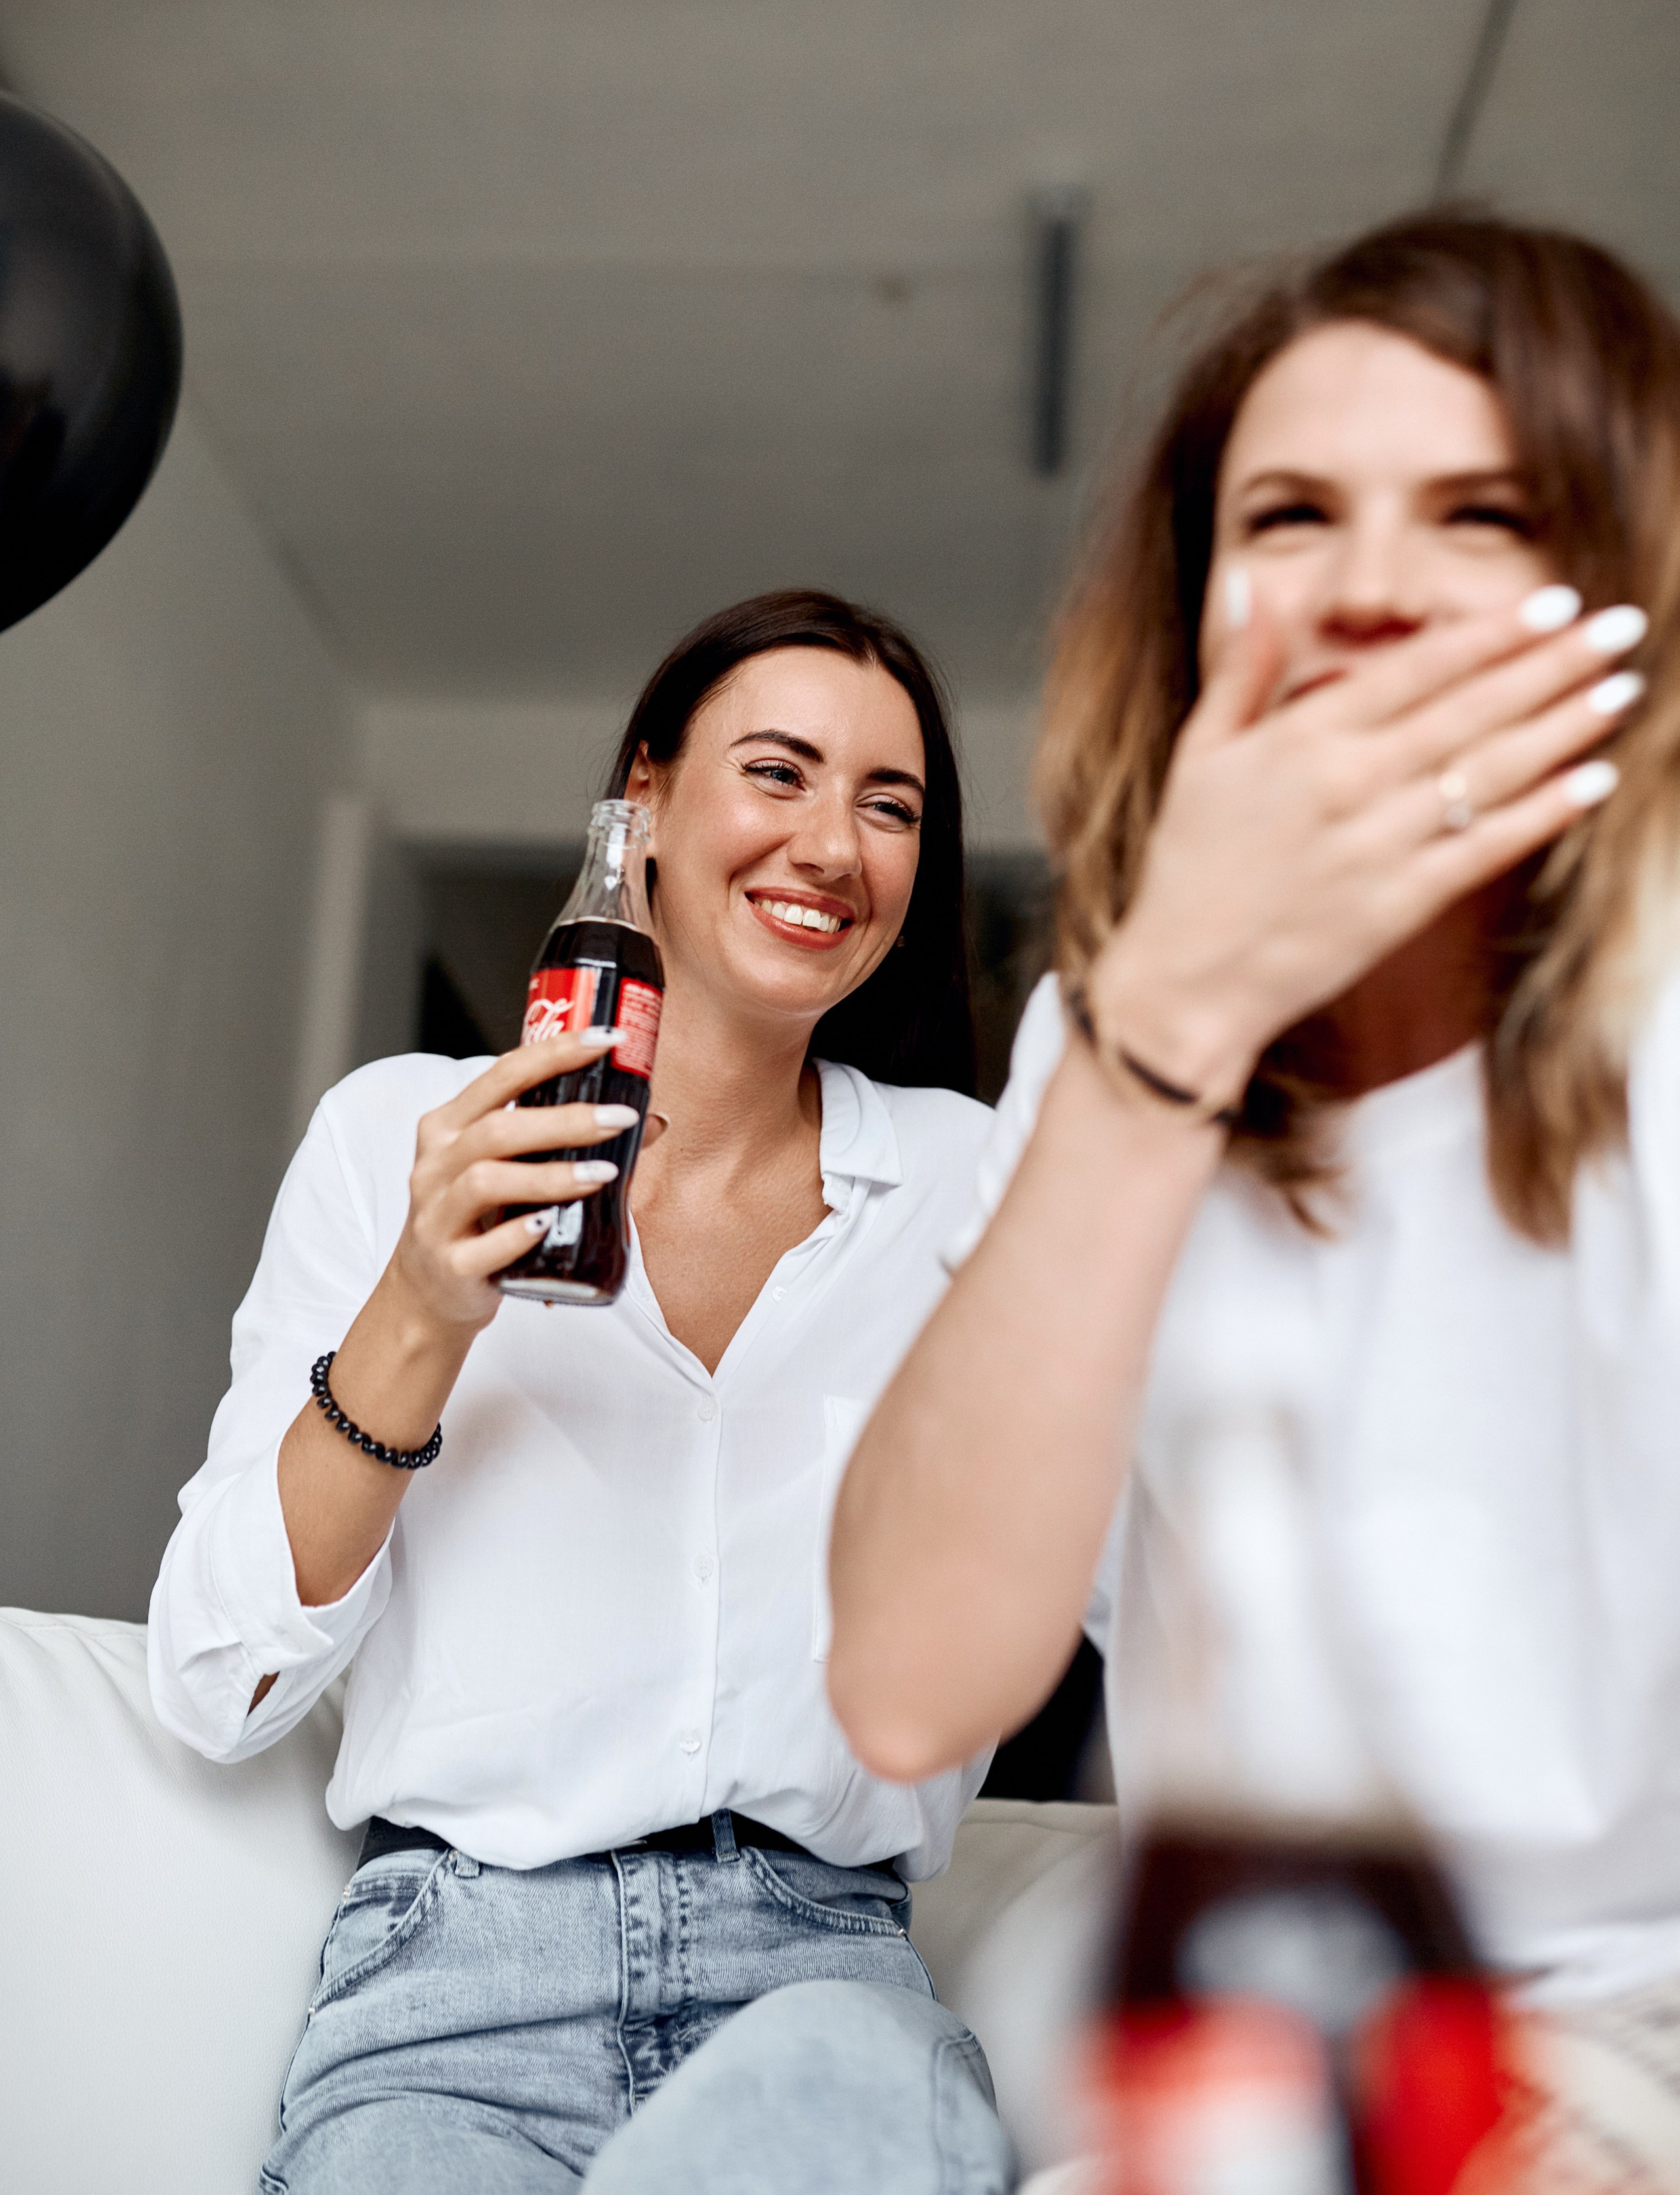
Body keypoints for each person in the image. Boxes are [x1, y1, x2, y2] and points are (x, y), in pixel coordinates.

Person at [829, 213, 1680, 2192]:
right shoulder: (1103, 1040)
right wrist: (1167, 1027)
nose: (1367, 591)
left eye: (1482, 515)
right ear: (1199, 612)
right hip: (1255, 2056)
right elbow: (908, 1684)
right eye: (1290, 518)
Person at [148, 589, 1013, 2195]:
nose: (832, 843)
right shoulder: (399, 1136)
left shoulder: (970, 1188)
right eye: (778, 772)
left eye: (889, 806)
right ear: (646, 807)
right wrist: (420, 1309)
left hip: (820, 1994)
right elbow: (218, 1681)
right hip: (451, 1995)